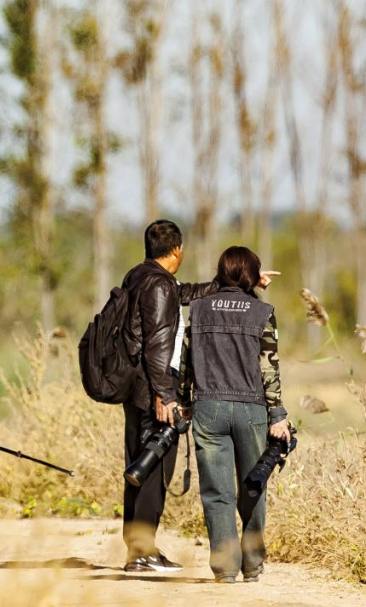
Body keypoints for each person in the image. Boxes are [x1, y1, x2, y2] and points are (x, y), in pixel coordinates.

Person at [120, 220, 277, 573]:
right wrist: (166, 395)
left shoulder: (142, 277)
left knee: (140, 467)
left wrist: (244, 279)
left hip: (140, 389)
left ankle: (145, 550)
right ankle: (141, 553)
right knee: (155, 469)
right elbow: (159, 344)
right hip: (156, 392)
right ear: (177, 250)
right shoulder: (160, 287)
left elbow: (189, 295)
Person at [178, 246, 289, 584]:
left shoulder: (197, 309)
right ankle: (253, 564)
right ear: (253, 276)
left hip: (208, 408)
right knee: (253, 486)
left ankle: (226, 569)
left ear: (220, 273)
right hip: (251, 410)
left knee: (216, 493)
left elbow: (187, 362)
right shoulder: (262, 311)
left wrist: (184, 400)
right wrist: (278, 415)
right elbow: (269, 367)